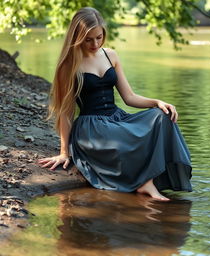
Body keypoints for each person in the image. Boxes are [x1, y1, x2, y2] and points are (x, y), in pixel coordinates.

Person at [38, 7, 192, 201]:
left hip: (116, 118)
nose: (95, 43)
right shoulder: (68, 66)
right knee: (122, 142)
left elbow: (129, 97)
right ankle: (145, 184)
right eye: (88, 39)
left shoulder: (111, 55)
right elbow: (66, 112)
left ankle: (149, 181)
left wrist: (158, 102)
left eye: (99, 37)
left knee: (162, 117)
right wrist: (63, 153)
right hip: (91, 128)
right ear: (77, 37)